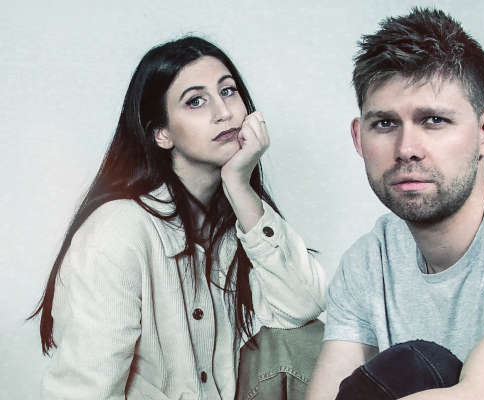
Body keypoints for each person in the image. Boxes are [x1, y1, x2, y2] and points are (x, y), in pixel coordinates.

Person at [307, 7, 484, 400]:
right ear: (359, 138)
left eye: (434, 120)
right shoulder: (368, 261)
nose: (407, 149)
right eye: (385, 124)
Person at [29, 36, 326, 399]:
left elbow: (303, 308)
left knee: (310, 341)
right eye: (196, 101)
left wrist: (240, 185)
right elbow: (86, 391)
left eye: (228, 91)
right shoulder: (119, 231)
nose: (224, 112)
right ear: (162, 134)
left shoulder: (232, 225)